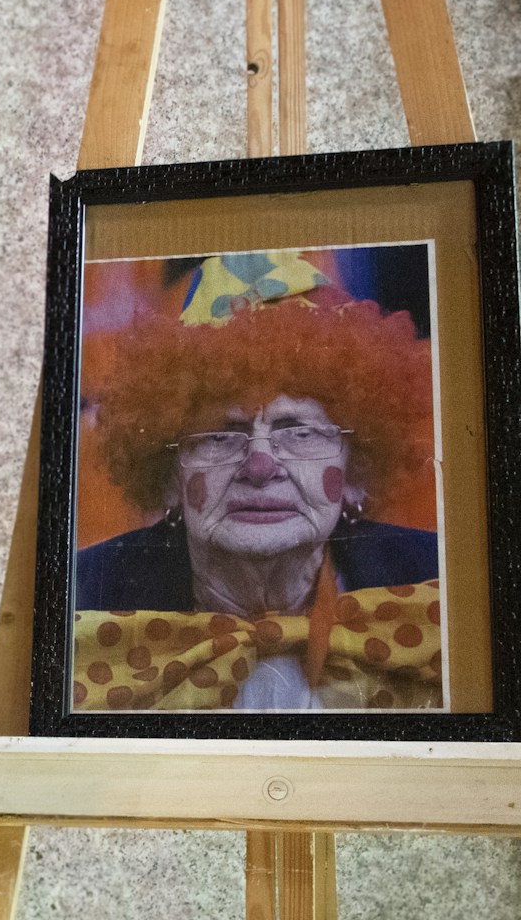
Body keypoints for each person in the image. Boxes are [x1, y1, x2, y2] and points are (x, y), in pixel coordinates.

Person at [74, 251, 441, 711]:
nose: (261, 466)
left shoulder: (438, 586)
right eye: (222, 435)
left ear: (356, 470)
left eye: (299, 431)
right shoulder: (82, 601)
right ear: (169, 476)